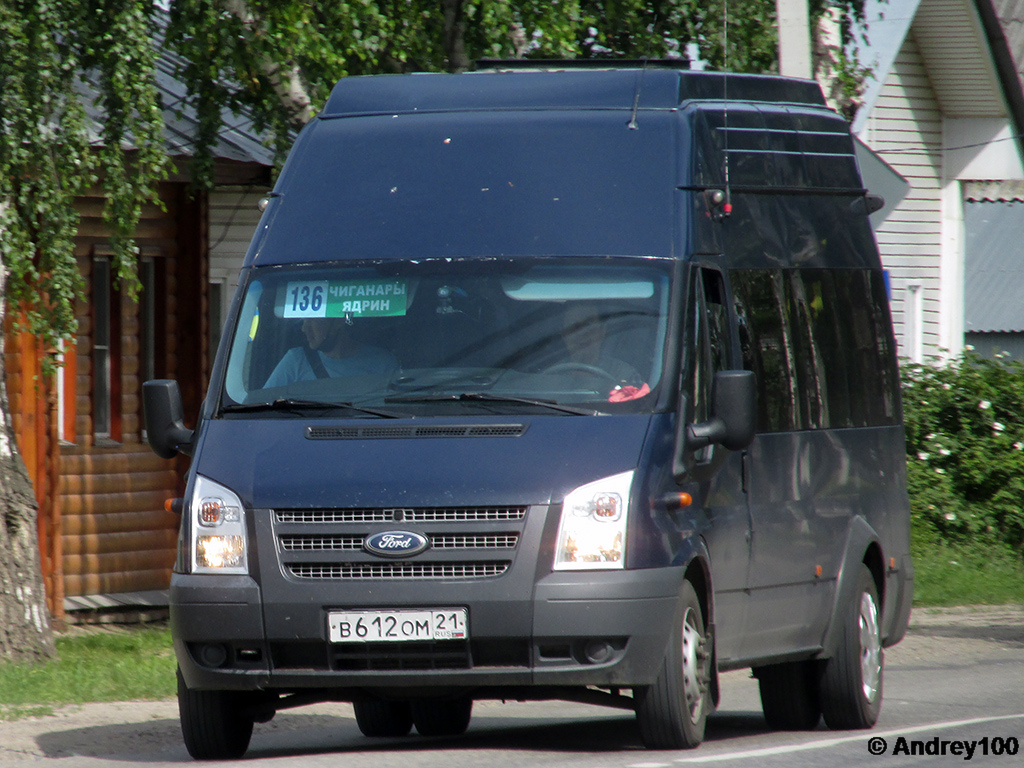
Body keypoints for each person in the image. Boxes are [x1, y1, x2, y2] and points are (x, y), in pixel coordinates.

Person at [264, 316, 399, 388]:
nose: (304, 328)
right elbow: (265, 405)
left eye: (313, 319)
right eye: (304, 320)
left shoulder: (383, 363)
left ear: (338, 321)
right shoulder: (295, 361)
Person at [556, 302, 649, 400]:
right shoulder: (548, 377)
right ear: (564, 335)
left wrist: (609, 389)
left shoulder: (626, 375)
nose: (582, 333)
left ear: (602, 331)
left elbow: (639, 408)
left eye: (588, 326)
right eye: (574, 327)